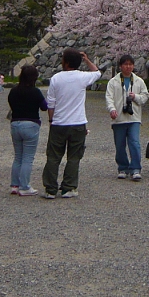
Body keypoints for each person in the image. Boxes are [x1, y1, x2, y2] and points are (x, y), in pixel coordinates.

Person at [42, 48, 101, 198]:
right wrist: (86, 60)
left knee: (53, 157)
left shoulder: (56, 78)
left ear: (66, 62)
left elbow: (51, 103)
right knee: (74, 157)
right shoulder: (82, 77)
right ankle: (68, 187)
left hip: (59, 122)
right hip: (78, 122)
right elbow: (97, 72)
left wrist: (51, 120)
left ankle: (50, 189)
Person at [105, 54, 149, 181]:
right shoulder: (113, 82)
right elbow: (109, 97)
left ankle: (135, 168)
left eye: (130, 64)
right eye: (125, 64)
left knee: (134, 143)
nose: (128, 67)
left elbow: (145, 96)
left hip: (134, 117)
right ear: (121, 66)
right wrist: (112, 109)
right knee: (120, 144)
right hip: (118, 118)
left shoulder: (139, 81)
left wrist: (135, 97)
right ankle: (123, 167)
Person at [8, 65, 48, 196]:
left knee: (18, 156)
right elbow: (44, 107)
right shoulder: (35, 91)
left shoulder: (13, 91)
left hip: (15, 124)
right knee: (28, 158)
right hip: (30, 124)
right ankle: (25, 186)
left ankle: (15, 185)